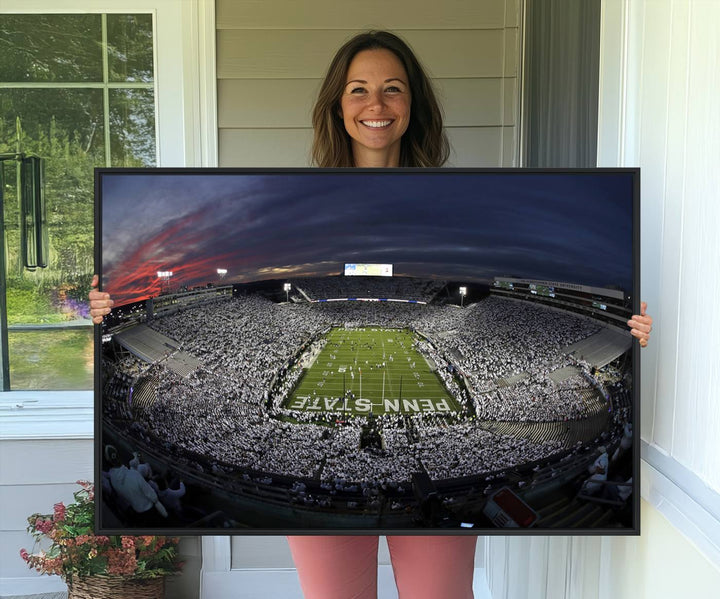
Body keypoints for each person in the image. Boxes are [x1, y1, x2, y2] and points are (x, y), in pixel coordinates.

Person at [89, 30, 653, 599]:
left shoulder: (456, 204)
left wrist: (625, 328)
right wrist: (106, 306)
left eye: (393, 89)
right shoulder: (296, 206)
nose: (376, 105)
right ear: (338, 104)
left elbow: (489, 279)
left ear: (414, 104)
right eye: (358, 89)